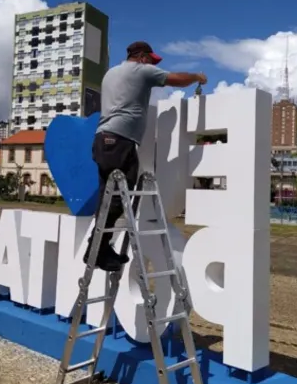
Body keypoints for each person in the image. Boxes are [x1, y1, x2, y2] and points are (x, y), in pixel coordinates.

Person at [84, 41, 207, 271]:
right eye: (151, 60)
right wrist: (197, 77)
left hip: (102, 141)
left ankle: (97, 247)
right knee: (121, 197)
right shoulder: (140, 70)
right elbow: (176, 79)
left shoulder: (110, 74)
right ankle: (98, 251)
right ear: (141, 57)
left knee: (107, 198)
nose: (152, 64)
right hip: (120, 141)